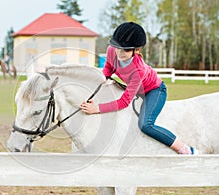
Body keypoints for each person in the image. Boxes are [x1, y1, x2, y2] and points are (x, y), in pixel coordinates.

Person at [80, 22, 198, 155]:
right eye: (118, 47)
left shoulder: (138, 70)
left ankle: (184, 149)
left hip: (154, 91)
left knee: (145, 125)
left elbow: (124, 103)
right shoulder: (111, 50)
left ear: (136, 50)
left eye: (126, 49)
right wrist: (94, 95)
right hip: (137, 90)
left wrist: (96, 109)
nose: (120, 52)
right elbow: (108, 70)